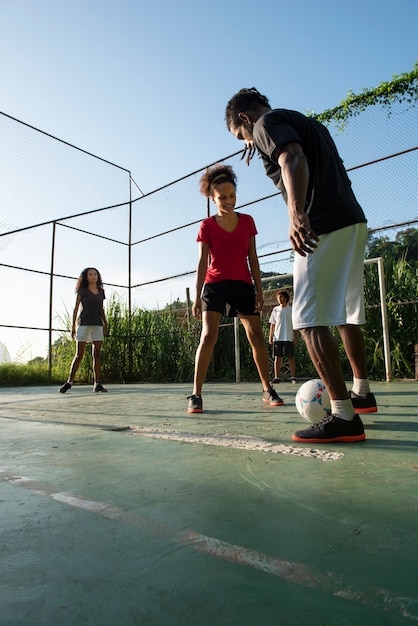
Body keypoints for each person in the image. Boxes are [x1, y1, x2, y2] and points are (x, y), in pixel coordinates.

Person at [225, 88, 377, 443]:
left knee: (307, 321)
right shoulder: (304, 123)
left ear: (245, 118)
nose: (246, 141)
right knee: (346, 313)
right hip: (352, 221)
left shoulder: (265, 124)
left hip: (320, 225)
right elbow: (291, 148)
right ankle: (362, 393)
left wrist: (297, 214)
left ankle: (343, 416)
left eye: (240, 135)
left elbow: (292, 158)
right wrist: (257, 143)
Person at [187, 164, 283, 413]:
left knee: (256, 337)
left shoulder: (248, 221)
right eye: (222, 197)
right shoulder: (206, 226)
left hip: (243, 285)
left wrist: (260, 291)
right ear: (212, 197)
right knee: (208, 336)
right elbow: (201, 263)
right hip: (214, 285)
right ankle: (196, 394)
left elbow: (253, 257)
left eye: (232, 196)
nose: (228, 201)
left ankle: (267, 388)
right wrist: (197, 297)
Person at [59, 267, 108, 393]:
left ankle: (97, 384)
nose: (93, 276)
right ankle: (69, 382)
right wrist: (73, 326)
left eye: (95, 274)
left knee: (96, 354)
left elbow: (101, 309)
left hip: (97, 324)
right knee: (79, 355)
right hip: (84, 324)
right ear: (86, 277)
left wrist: (105, 323)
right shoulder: (82, 291)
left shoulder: (101, 292)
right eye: (90, 274)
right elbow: (76, 308)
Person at [268, 290, 298, 384]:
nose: (279, 299)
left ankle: (293, 377)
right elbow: (272, 324)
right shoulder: (275, 310)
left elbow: (295, 324)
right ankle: (277, 377)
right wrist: (270, 337)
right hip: (278, 337)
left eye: (281, 297)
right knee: (277, 357)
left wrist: (296, 337)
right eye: (278, 297)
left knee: (291, 357)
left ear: (285, 298)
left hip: (288, 337)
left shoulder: (291, 310)